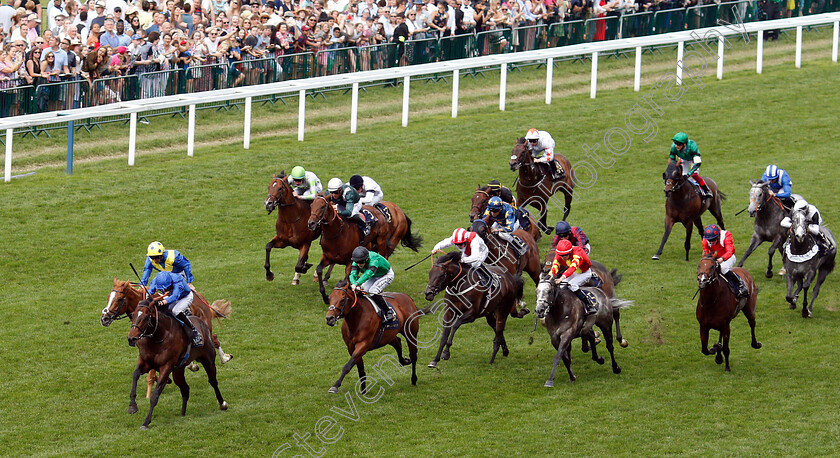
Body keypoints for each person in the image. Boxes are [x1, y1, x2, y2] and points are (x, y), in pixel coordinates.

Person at [147, 270, 204, 347]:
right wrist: (147, 298)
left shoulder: (177, 280)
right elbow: (150, 291)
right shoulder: (156, 280)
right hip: (170, 297)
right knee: (163, 311)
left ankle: (195, 333)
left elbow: (175, 296)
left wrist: (162, 302)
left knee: (176, 311)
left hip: (185, 297)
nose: (165, 290)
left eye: (167, 288)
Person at [549, 239, 597, 315]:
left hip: (584, 273)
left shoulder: (577, 253)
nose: (563, 258)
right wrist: (550, 276)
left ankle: (589, 305)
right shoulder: (559, 255)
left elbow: (573, 267)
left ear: (570, 252)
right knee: (561, 286)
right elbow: (555, 266)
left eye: (565, 255)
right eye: (561, 256)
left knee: (572, 285)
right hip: (575, 272)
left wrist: (561, 278)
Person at [348, 246, 395, 321]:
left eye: (361, 262)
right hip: (374, 275)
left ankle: (388, 311)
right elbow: (353, 274)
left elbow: (368, 274)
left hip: (385, 275)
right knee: (363, 290)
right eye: (357, 263)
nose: (359, 265)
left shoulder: (374, 259)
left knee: (373, 291)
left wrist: (356, 284)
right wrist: (353, 284)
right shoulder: (356, 261)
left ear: (366, 259)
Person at [702, 224, 748, 298]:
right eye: (710, 240)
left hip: (729, 257)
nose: (711, 242)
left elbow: (730, 251)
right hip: (716, 258)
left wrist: (721, 259)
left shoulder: (726, 236)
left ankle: (740, 285)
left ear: (718, 237)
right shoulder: (705, 240)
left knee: (723, 268)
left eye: (713, 240)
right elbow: (706, 253)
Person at [669, 132, 711, 198]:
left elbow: (698, 163)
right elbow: (672, 159)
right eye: (675, 143)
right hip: (684, 159)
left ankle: (706, 190)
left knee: (694, 175)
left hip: (693, 159)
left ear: (684, 144)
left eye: (678, 144)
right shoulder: (673, 147)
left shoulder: (692, 146)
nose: (676, 146)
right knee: (681, 177)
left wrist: (689, 174)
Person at [327, 177, 370, 241]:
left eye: (335, 192)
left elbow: (349, 212)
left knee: (350, 215)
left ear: (340, 190)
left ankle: (364, 226)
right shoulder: (330, 193)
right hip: (342, 203)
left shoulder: (348, 193)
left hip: (355, 203)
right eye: (331, 192)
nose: (333, 195)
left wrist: (338, 211)